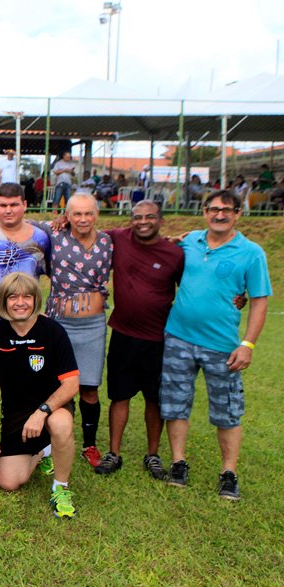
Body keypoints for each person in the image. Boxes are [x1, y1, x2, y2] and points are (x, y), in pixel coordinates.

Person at [160, 190, 271, 500]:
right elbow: (166, 249)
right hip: (178, 337)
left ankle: (228, 473)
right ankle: (178, 464)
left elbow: (259, 301)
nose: (219, 214)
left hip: (222, 345)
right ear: (205, 211)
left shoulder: (251, 253)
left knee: (227, 411)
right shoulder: (190, 241)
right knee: (175, 405)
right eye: (214, 209)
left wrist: (247, 344)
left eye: (227, 210)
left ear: (238, 213)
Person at [0, 272, 79, 518]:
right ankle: (44, 449)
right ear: (3, 301)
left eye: (27, 297)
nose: (20, 303)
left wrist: (42, 412)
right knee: (9, 483)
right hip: (16, 413)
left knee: (61, 424)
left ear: (36, 300)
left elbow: (71, 384)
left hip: (51, 406)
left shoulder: (53, 331)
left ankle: (60, 488)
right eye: (13, 297)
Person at [93, 200, 183, 478]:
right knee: (119, 396)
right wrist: (62, 220)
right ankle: (113, 453)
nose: (143, 222)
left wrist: (236, 298)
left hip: (159, 339)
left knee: (154, 399)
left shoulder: (175, 253)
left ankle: (153, 455)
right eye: (137, 217)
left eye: (150, 217)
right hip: (123, 335)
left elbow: (191, 287)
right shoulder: (118, 239)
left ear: (161, 220)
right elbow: (85, 230)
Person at [0, 183, 50, 457]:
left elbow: (52, 273)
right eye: (2, 205)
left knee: (24, 381)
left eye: (14, 204)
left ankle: (25, 437)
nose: (8, 210)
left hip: (24, 321)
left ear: (25, 205)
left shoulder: (41, 237)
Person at [39, 193, 112, 468]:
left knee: (89, 387)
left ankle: (89, 444)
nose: (83, 219)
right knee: (55, 385)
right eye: (76, 214)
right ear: (67, 215)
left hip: (92, 325)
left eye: (88, 213)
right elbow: (21, 222)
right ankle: (49, 445)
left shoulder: (108, 241)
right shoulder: (54, 234)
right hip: (59, 323)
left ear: (97, 214)